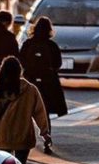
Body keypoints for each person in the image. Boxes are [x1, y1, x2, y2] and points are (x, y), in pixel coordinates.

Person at [0, 55, 50, 164]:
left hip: (2, 136)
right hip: (24, 136)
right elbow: (39, 112)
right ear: (19, 71)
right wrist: (45, 132)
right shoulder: (30, 89)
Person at [18, 16, 67, 152]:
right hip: (47, 83)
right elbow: (58, 64)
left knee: (26, 111)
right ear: (49, 30)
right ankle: (47, 140)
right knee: (44, 113)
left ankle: (22, 140)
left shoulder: (28, 44)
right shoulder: (52, 45)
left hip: (29, 81)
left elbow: (21, 59)